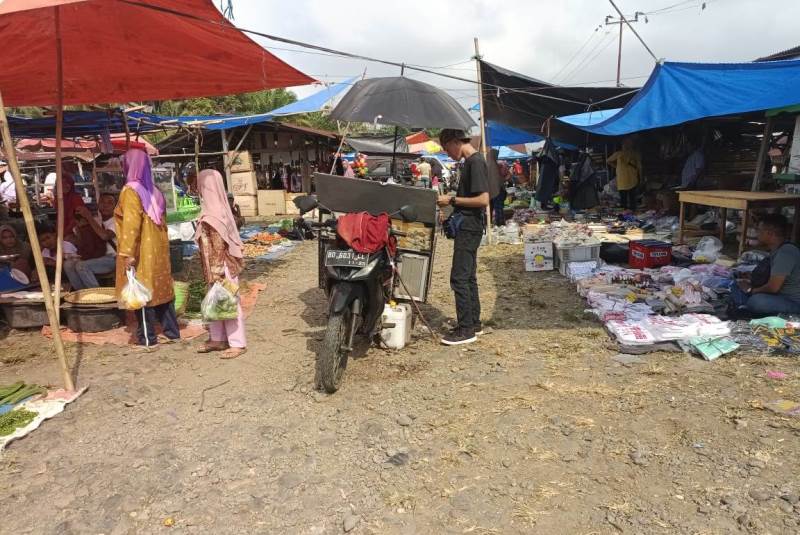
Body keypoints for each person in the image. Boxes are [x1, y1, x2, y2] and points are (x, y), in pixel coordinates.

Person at [115, 148, 179, 347]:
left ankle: (147, 338)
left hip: (141, 251)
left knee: (141, 292)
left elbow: (130, 226)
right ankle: (172, 332)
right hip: (158, 250)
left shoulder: (130, 191)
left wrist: (127, 253)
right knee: (162, 290)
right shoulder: (155, 191)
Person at [437, 129, 490, 346]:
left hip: (470, 226)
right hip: (470, 226)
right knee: (468, 276)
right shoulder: (470, 162)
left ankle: (465, 329)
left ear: (454, 142)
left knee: (459, 277)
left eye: (446, 148)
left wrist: (451, 200)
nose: (448, 154)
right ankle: (473, 323)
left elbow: (483, 200)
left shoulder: (475, 162)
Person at [195, 169, 247, 359]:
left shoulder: (214, 214)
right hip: (214, 265)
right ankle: (217, 338)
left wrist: (216, 271)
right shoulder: (212, 209)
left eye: (199, 184)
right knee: (216, 300)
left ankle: (237, 343)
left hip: (222, 266)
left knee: (229, 301)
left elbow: (217, 244)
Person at [731, 214, 800, 316]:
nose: (756, 233)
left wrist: (751, 290)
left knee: (756, 301)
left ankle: (743, 307)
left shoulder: (786, 253)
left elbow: (773, 287)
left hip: (792, 301)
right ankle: (743, 307)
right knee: (737, 284)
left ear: (769, 233)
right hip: (777, 296)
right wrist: (750, 279)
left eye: (759, 230)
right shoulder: (776, 250)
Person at [63, 194, 117, 290]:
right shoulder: (96, 220)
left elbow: (105, 236)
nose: (105, 205)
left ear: (116, 206)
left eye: (109, 203)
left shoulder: (117, 222)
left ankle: (96, 296)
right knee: (68, 265)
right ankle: (82, 293)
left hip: (113, 258)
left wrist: (89, 217)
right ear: (98, 204)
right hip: (95, 256)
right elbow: (81, 240)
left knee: (82, 266)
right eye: (102, 202)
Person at [606, 137, 642, 211]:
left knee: (630, 199)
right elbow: (608, 161)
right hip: (623, 180)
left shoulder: (634, 154)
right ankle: (626, 213)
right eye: (624, 143)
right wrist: (616, 167)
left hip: (631, 179)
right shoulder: (619, 154)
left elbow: (639, 167)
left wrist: (641, 178)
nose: (625, 145)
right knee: (625, 199)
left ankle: (630, 212)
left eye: (627, 143)